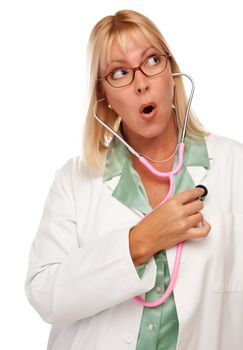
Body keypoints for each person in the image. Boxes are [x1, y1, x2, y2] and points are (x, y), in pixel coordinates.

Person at [25, 9, 243, 350]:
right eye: (120, 72)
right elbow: (44, 293)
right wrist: (138, 242)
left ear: (171, 73)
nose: (142, 82)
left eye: (153, 60)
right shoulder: (74, 181)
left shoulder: (235, 165)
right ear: (105, 97)